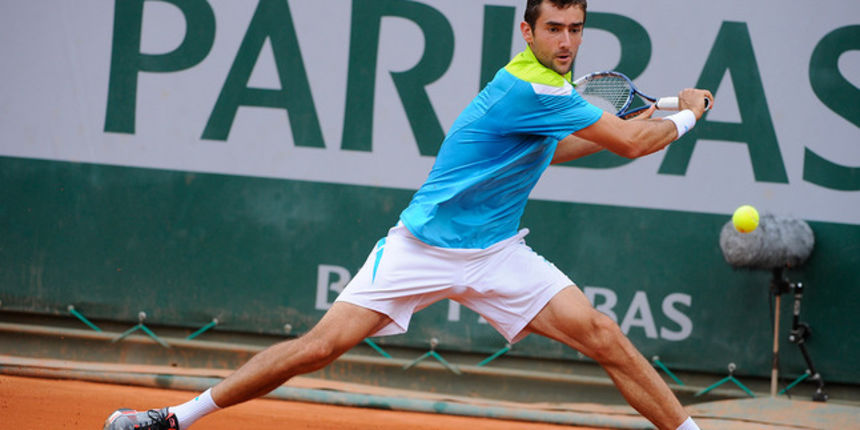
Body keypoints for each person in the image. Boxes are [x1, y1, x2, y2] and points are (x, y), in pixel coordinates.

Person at [104, 1, 711, 429]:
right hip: (421, 246)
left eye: (576, 29)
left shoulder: (551, 90)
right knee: (317, 348)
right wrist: (687, 115)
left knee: (604, 335)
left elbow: (568, 148)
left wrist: (650, 122)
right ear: (527, 31)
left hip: (498, 252)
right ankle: (173, 419)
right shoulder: (533, 88)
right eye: (553, 28)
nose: (566, 42)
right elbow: (630, 145)